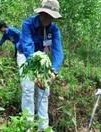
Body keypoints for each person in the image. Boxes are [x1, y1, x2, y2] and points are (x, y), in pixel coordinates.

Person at [16, 0, 64, 130]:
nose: (47, 19)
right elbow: (28, 47)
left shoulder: (54, 29)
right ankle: (28, 126)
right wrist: (34, 73)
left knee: (44, 89)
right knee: (28, 88)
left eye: (51, 16)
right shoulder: (28, 24)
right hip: (26, 56)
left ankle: (44, 127)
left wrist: (54, 72)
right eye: (45, 15)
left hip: (42, 57)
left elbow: (57, 50)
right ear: (40, 12)